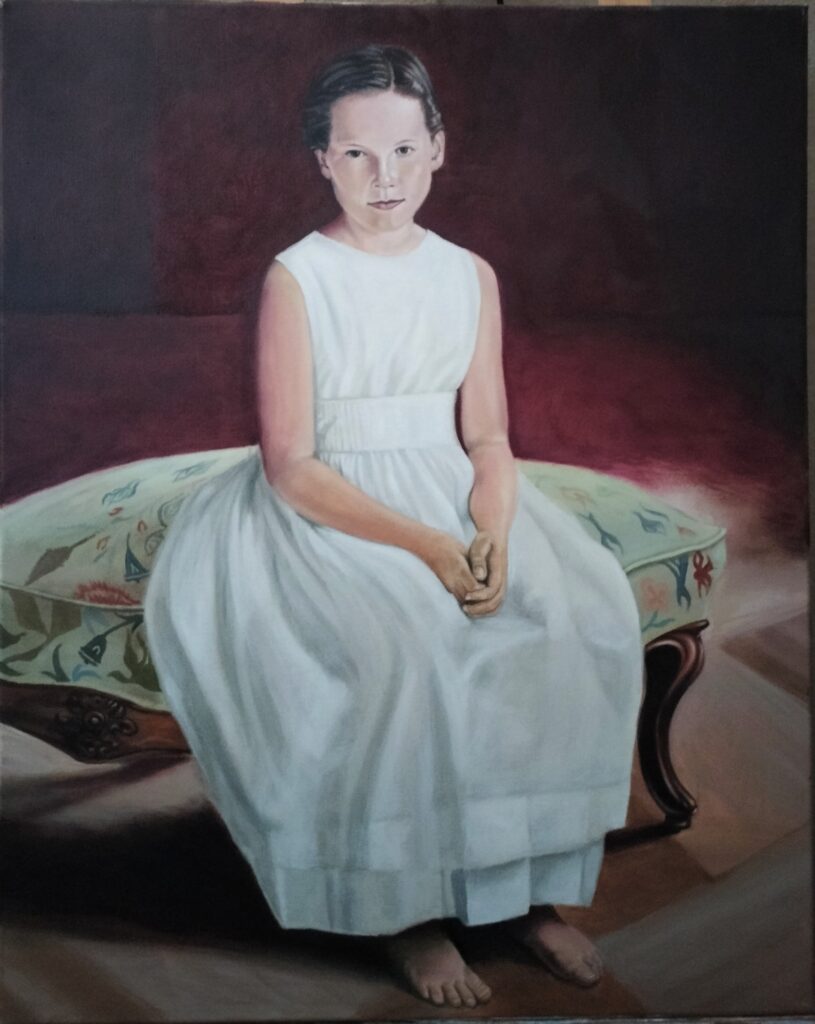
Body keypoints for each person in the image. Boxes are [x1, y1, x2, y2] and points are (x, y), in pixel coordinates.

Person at [144, 44, 644, 1009]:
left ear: (439, 149)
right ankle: (401, 910)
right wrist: (428, 549)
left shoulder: (468, 275)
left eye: (405, 151)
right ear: (322, 161)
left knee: (570, 617)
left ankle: (516, 892)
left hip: (447, 487)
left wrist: (489, 534)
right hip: (328, 506)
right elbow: (292, 464)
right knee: (405, 647)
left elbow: (487, 437)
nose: (386, 176)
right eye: (358, 154)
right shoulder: (299, 277)